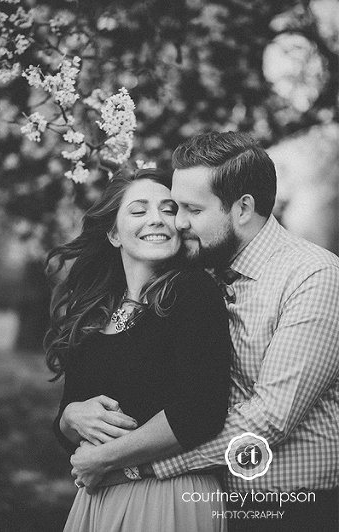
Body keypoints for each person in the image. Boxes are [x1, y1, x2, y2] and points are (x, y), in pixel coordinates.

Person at [69, 132, 339, 532]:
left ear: (243, 208)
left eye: (191, 209)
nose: (177, 222)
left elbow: (270, 418)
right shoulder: (202, 270)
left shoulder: (314, 277)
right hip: (216, 500)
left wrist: (129, 465)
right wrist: (73, 415)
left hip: (290, 505)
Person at [46, 167, 232, 532]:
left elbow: (201, 410)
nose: (157, 220)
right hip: (97, 502)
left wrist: (104, 459)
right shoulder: (96, 311)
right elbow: (67, 423)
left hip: (171, 499)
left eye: (168, 209)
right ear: (114, 233)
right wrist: (70, 418)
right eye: (139, 210)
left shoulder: (192, 292)